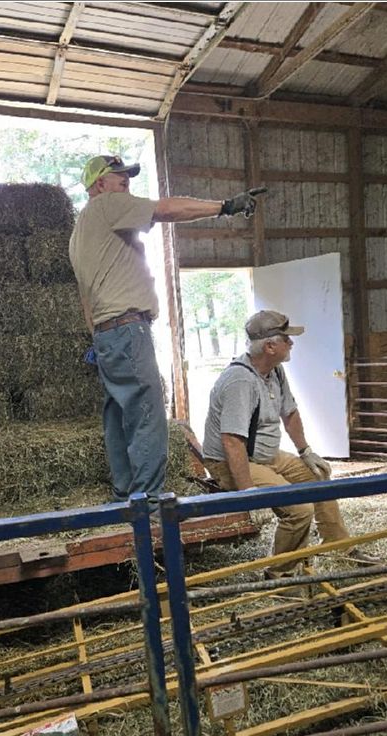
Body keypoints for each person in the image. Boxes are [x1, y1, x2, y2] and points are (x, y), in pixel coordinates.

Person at [69, 154, 265, 513]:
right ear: (100, 185)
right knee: (147, 413)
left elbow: (85, 297)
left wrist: (96, 335)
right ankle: (149, 504)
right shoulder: (109, 206)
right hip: (128, 329)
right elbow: (168, 210)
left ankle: (124, 497)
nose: (126, 180)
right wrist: (224, 206)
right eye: (119, 175)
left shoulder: (80, 231)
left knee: (118, 415)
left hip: (106, 332)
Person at [202, 309, 378, 573]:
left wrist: (305, 450)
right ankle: (280, 573)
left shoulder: (275, 372)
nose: (292, 343)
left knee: (319, 475)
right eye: (287, 338)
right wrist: (249, 494)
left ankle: (339, 546)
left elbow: (290, 413)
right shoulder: (240, 381)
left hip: (266, 455)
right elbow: (231, 441)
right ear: (270, 346)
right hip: (232, 461)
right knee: (299, 510)